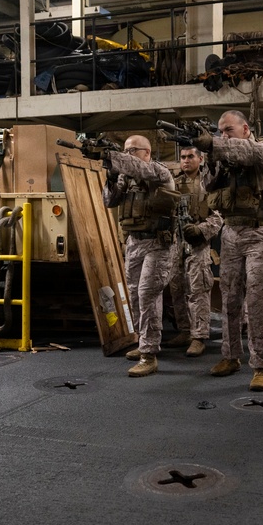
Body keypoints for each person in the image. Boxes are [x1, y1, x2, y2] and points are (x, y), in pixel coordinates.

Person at [193, 110, 263, 391]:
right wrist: (210, 155)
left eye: (228, 130)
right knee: (230, 298)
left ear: (245, 129)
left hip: (260, 232)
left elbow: (257, 156)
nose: (223, 136)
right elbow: (206, 185)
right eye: (219, 132)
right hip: (231, 232)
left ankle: (261, 365)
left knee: (256, 300)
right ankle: (231, 356)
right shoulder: (222, 156)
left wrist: (214, 145)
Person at [104, 135, 178, 377]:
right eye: (124, 150)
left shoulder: (159, 172)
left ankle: (149, 355)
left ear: (147, 152)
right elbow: (109, 201)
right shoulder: (126, 177)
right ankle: (144, 342)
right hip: (134, 243)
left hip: (158, 244)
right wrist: (112, 176)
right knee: (135, 294)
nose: (127, 154)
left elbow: (142, 170)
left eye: (132, 150)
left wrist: (114, 159)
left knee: (147, 293)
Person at [166, 145, 223, 357]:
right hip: (176, 242)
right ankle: (185, 330)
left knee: (198, 288)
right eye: (183, 157)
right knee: (176, 286)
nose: (186, 160)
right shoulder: (173, 184)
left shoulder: (209, 184)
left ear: (200, 159)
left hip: (198, 242)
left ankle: (199, 336)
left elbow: (218, 214)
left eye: (191, 156)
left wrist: (201, 229)